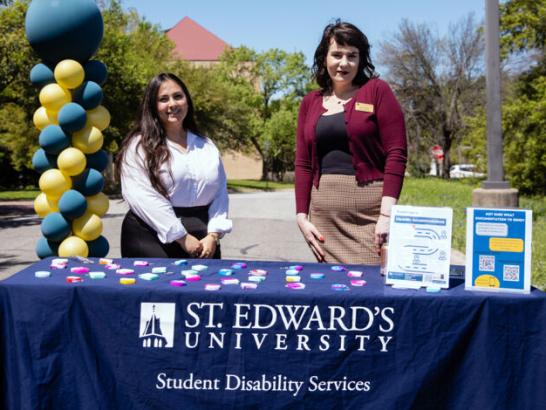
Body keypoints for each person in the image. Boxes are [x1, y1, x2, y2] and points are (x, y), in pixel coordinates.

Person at [295, 21, 407, 265]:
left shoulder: (377, 90)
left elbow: (397, 154)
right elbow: (303, 164)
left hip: (370, 217)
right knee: (332, 292)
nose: (343, 63)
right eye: (336, 55)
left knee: (370, 291)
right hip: (325, 220)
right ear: (324, 57)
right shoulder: (310, 102)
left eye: (351, 56)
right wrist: (302, 217)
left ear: (361, 59)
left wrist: (387, 215)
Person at [115, 73, 232, 258]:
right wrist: (182, 237)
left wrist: (213, 234)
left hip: (204, 240)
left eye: (178, 96)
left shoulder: (206, 145)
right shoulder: (139, 146)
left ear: (187, 100)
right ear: (153, 107)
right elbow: (141, 196)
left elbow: (220, 192)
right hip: (151, 236)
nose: (172, 104)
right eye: (163, 99)